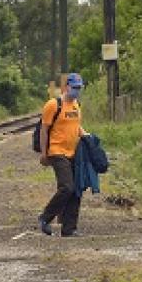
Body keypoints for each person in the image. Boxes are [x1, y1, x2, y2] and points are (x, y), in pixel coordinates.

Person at [38, 72, 86, 237]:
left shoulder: (76, 105)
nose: (77, 91)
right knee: (67, 187)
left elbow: (76, 127)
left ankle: (69, 228)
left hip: (73, 153)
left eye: (80, 88)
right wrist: (44, 153)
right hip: (57, 151)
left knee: (76, 190)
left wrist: (87, 137)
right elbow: (44, 130)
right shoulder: (53, 105)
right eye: (75, 88)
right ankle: (45, 217)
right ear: (67, 87)